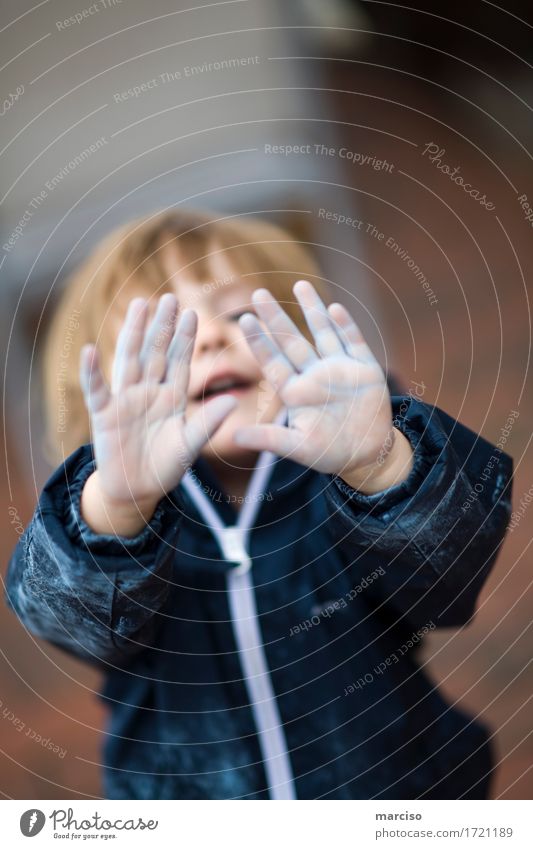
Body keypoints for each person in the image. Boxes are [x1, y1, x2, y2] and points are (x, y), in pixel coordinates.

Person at [5, 210, 513, 800]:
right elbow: (64, 622)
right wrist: (118, 505)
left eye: (242, 317)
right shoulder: (113, 510)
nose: (215, 338)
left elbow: (449, 583)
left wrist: (380, 467)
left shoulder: (343, 479)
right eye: (173, 339)